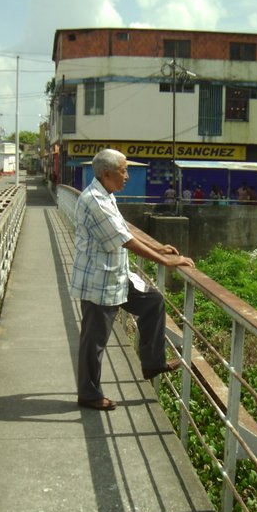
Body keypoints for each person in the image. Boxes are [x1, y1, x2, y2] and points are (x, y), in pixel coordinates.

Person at [70, 149, 195, 411]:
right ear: (107, 174)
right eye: (124, 170)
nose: (127, 175)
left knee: (153, 302)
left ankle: (152, 362)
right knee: (94, 340)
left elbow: (123, 229)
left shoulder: (106, 195)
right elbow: (124, 239)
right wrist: (167, 262)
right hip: (99, 279)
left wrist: (158, 248)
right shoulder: (95, 201)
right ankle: (88, 394)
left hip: (115, 275)